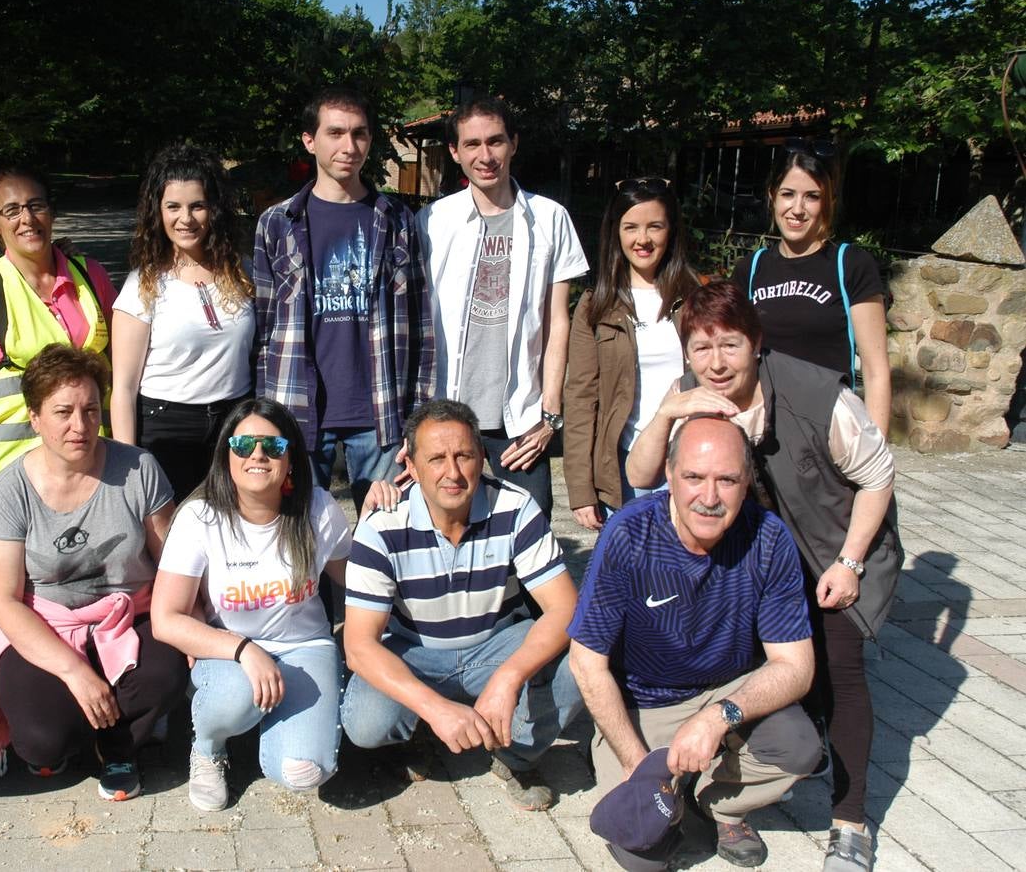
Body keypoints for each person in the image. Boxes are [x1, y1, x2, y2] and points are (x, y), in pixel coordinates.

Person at [626, 282, 901, 872]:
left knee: (839, 676)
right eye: (701, 349)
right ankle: (733, 803)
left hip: (833, 551)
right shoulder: (690, 393)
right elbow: (642, 474)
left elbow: (879, 476)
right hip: (755, 562)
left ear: (756, 344)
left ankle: (850, 822)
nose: (716, 363)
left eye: (730, 345)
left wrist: (850, 563)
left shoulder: (818, 394)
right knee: (755, 678)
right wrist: (668, 412)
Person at [569, 415, 821, 869]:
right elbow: (587, 662)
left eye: (727, 480)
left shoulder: (769, 538)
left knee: (799, 746)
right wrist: (636, 764)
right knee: (642, 854)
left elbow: (796, 666)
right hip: (646, 703)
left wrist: (716, 717)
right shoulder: (629, 533)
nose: (709, 497)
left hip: (726, 689)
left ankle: (719, 803)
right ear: (668, 474)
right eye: (694, 477)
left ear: (746, 482)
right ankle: (663, 781)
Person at [0, 344, 186, 801]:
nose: (79, 426)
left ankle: (118, 744)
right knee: (43, 743)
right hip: (45, 621)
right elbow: (2, 598)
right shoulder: (11, 489)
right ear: (35, 416)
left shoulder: (138, 468)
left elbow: (175, 563)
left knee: (167, 671)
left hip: (129, 614)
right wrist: (74, 673)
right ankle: (82, 722)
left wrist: (193, 625)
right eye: (62, 411)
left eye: (90, 410)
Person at [340, 399, 582, 811]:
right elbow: (359, 645)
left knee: (581, 665)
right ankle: (421, 731)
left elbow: (565, 609)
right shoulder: (382, 523)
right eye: (436, 459)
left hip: (495, 647)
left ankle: (514, 754)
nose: (452, 472)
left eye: (464, 455)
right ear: (412, 467)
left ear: (481, 457)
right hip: (415, 653)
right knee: (365, 722)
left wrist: (509, 678)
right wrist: (433, 707)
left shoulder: (516, 506)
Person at [152, 397, 351, 811]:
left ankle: (276, 723)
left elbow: (356, 582)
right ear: (227, 455)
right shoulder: (200, 518)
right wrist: (244, 650)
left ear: (290, 457)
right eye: (243, 446)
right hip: (228, 652)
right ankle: (209, 747)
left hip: (305, 648)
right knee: (236, 697)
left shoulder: (318, 510)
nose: (257, 455)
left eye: (273, 447)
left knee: (303, 771)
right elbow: (165, 619)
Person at [252, 86, 434, 511]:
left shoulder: (396, 220)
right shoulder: (277, 224)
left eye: (359, 134)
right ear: (309, 140)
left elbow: (421, 325)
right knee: (300, 540)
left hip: (381, 415)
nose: (348, 146)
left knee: (387, 541)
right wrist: (263, 414)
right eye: (335, 133)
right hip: (296, 409)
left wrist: (420, 416)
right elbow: (261, 331)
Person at [417, 96, 589, 517]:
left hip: (521, 421)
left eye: (495, 141)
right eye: (471, 144)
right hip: (448, 417)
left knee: (531, 548)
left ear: (514, 143)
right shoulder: (431, 222)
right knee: (448, 541)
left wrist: (550, 416)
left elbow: (557, 322)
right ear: (455, 152)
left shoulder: (550, 219)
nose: (485, 155)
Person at [0, 167, 117, 484]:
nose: (27, 218)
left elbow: (119, 356)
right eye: (12, 210)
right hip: (15, 464)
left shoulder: (91, 275)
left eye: (36, 206)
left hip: (92, 450)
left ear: (51, 213)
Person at [111, 144, 256, 502]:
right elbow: (124, 389)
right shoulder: (142, 285)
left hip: (233, 423)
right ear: (157, 213)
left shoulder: (243, 273)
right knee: (171, 541)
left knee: (230, 530)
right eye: (173, 207)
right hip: (165, 429)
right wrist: (123, 465)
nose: (185, 219)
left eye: (197, 206)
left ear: (214, 210)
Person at [564, 176, 698, 530]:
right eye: (631, 227)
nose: (643, 239)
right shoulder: (596, 307)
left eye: (655, 226)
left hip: (689, 462)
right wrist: (581, 490)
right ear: (616, 232)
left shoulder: (697, 298)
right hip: (621, 471)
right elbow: (580, 398)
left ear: (671, 230)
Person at [731, 142, 891, 435]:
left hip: (829, 434)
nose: (797, 209)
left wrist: (875, 454)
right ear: (772, 197)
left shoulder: (851, 265)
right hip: (763, 436)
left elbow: (875, 370)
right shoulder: (749, 270)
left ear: (828, 201)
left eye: (812, 197)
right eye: (788, 194)